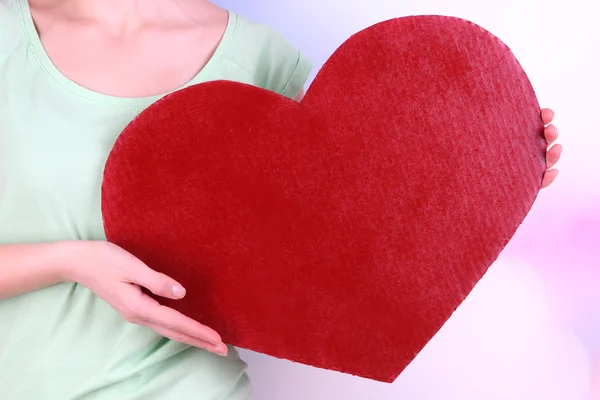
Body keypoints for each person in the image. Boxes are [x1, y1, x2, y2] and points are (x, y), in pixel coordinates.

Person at [0, 0, 562, 398]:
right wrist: (70, 261)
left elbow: (352, 245)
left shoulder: (259, 57)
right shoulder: (8, 38)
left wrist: (492, 166)